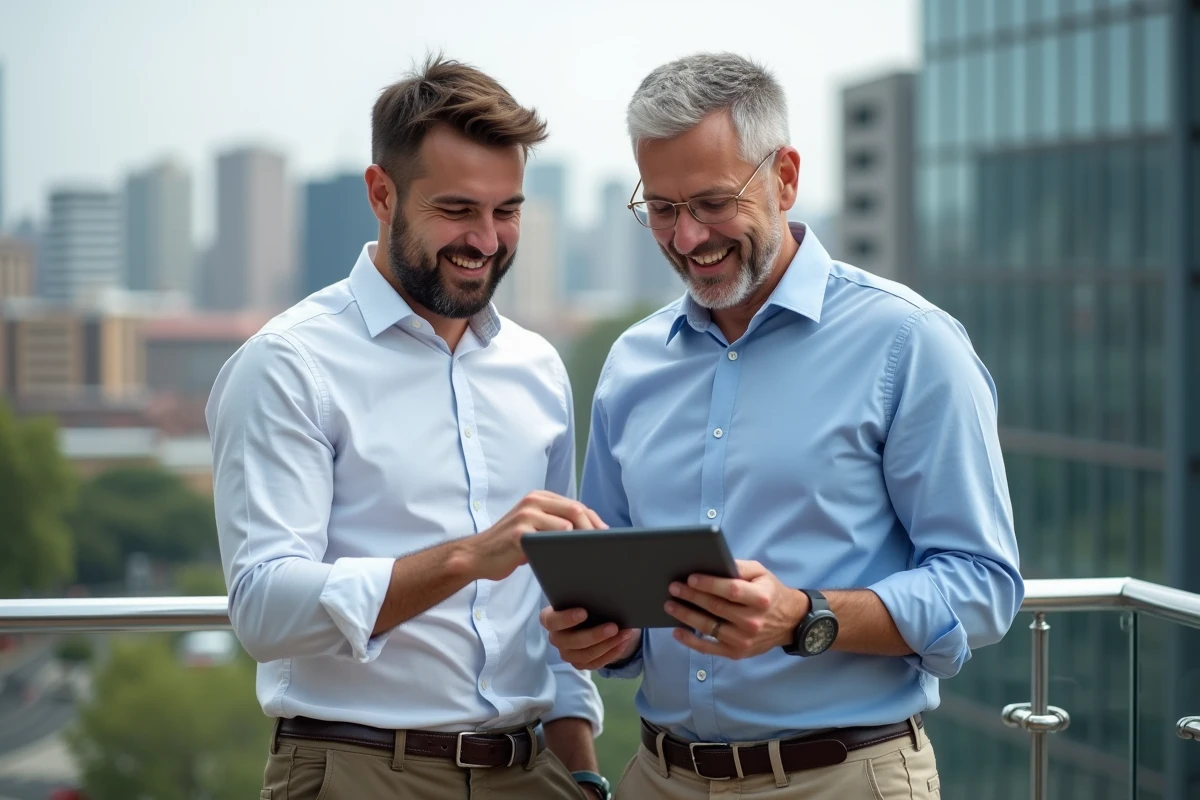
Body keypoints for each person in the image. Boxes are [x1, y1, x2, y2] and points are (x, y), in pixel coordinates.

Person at [542, 53, 1023, 799]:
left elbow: (983, 586)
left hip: (843, 780)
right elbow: (618, 588)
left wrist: (805, 616)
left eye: (710, 202)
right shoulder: (632, 362)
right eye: (662, 209)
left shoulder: (909, 342)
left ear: (786, 177)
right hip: (657, 778)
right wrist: (604, 634)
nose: (686, 237)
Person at [207, 55, 611, 800]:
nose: (487, 241)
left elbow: (554, 607)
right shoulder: (289, 364)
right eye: (457, 210)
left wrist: (583, 773)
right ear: (381, 194)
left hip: (534, 775)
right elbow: (263, 608)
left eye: (507, 210)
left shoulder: (538, 368)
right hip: (355, 773)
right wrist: (467, 558)